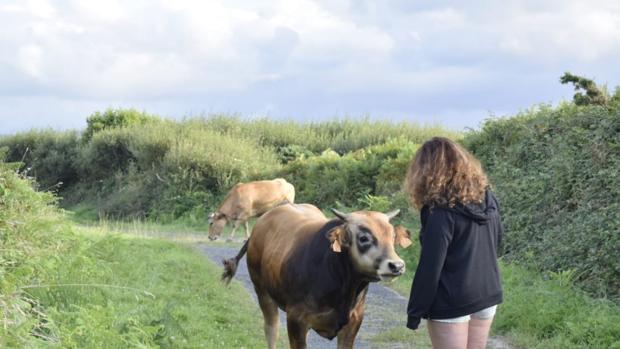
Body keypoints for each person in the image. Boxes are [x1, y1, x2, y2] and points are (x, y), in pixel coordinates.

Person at [405, 137, 503, 349]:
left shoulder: (439, 212)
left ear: (426, 171)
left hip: (452, 299)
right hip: (487, 292)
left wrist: (414, 312)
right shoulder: (488, 200)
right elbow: (498, 243)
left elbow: (430, 267)